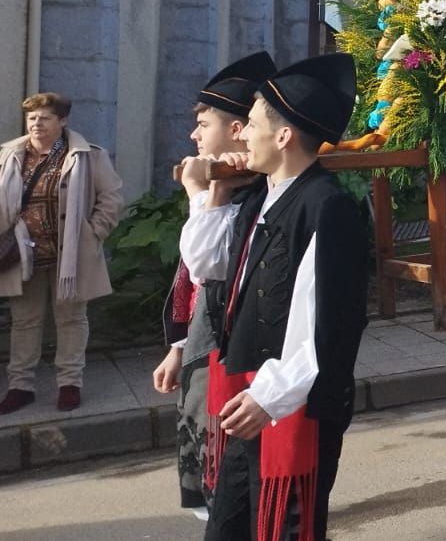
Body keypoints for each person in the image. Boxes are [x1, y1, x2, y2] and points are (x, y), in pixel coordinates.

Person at [178, 53, 368, 541]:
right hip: (253, 398)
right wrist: (210, 191)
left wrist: (271, 394)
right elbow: (214, 267)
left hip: (288, 404)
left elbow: (328, 325)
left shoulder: (327, 207)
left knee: (282, 528)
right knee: (228, 528)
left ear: (284, 137)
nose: (242, 134)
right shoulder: (264, 196)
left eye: (254, 123)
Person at [153, 51, 276, 519]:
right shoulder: (231, 180)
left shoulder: (252, 189)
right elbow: (197, 279)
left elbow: (206, 260)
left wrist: (205, 192)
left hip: (237, 350)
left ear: (238, 129)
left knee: (231, 476)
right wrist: (180, 345)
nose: (194, 134)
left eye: (204, 123)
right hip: (206, 339)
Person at [0, 92, 124, 414]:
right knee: (24, 321)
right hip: (23, 255)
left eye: (44, 118)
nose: (36, 124)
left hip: (69, 255)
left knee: (70, 319)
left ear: (62, 121)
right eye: (31, 118)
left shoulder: (88, 156)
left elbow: (111, 199)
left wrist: (93, 233)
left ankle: (70, 383)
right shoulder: (9, 156)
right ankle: (20, 386)